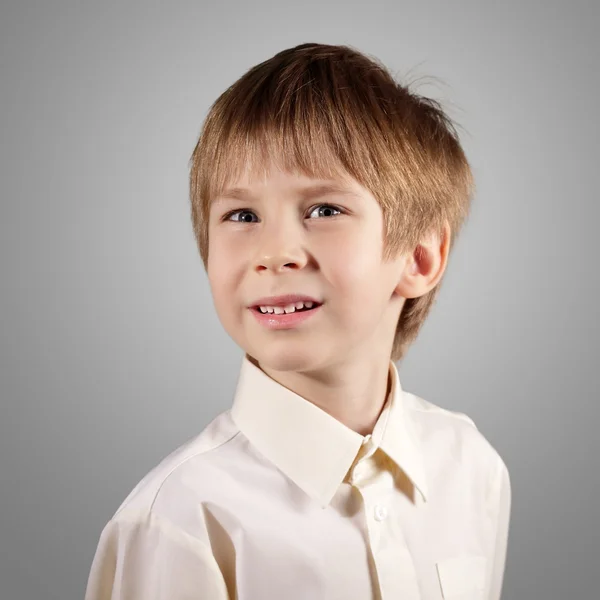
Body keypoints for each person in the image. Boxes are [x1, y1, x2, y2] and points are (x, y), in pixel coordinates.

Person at [85, 42, 511, 600]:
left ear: (419, 258)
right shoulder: (182, 520)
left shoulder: (470, 467)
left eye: (324, 210)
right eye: (242, 215)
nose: (275, 251)